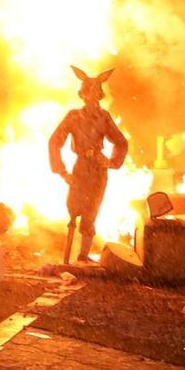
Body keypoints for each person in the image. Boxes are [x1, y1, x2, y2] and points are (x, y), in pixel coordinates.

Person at [49, 66, 129, 263]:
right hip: (80, 168)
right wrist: (62, 171)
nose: (91, 96)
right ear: (82, 94)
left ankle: (83, 257)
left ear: (100, 95)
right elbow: (55, 141)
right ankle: (67, 258)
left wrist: (111, 162)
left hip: (98, 170)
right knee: (74, 207)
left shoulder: (104, 118)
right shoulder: (73, 116)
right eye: (88, 92)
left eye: (95, 92)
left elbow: (121, 142)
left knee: (91, 212)